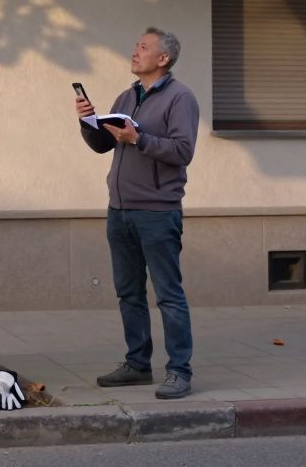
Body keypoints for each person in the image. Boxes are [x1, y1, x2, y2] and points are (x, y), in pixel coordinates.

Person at [74, 28, 200, 400]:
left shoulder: (181, 98)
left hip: (157, 212)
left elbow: (182, 151)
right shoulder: (127, 96)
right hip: (120, 210)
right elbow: (102, 145)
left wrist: (138, 139)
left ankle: (179, 371)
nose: (135, 52)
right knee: (128, 292)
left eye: (143, 47)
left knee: (168, 295)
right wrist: (88, 120)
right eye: (135, 46)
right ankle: (137, 364)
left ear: (163, 59)